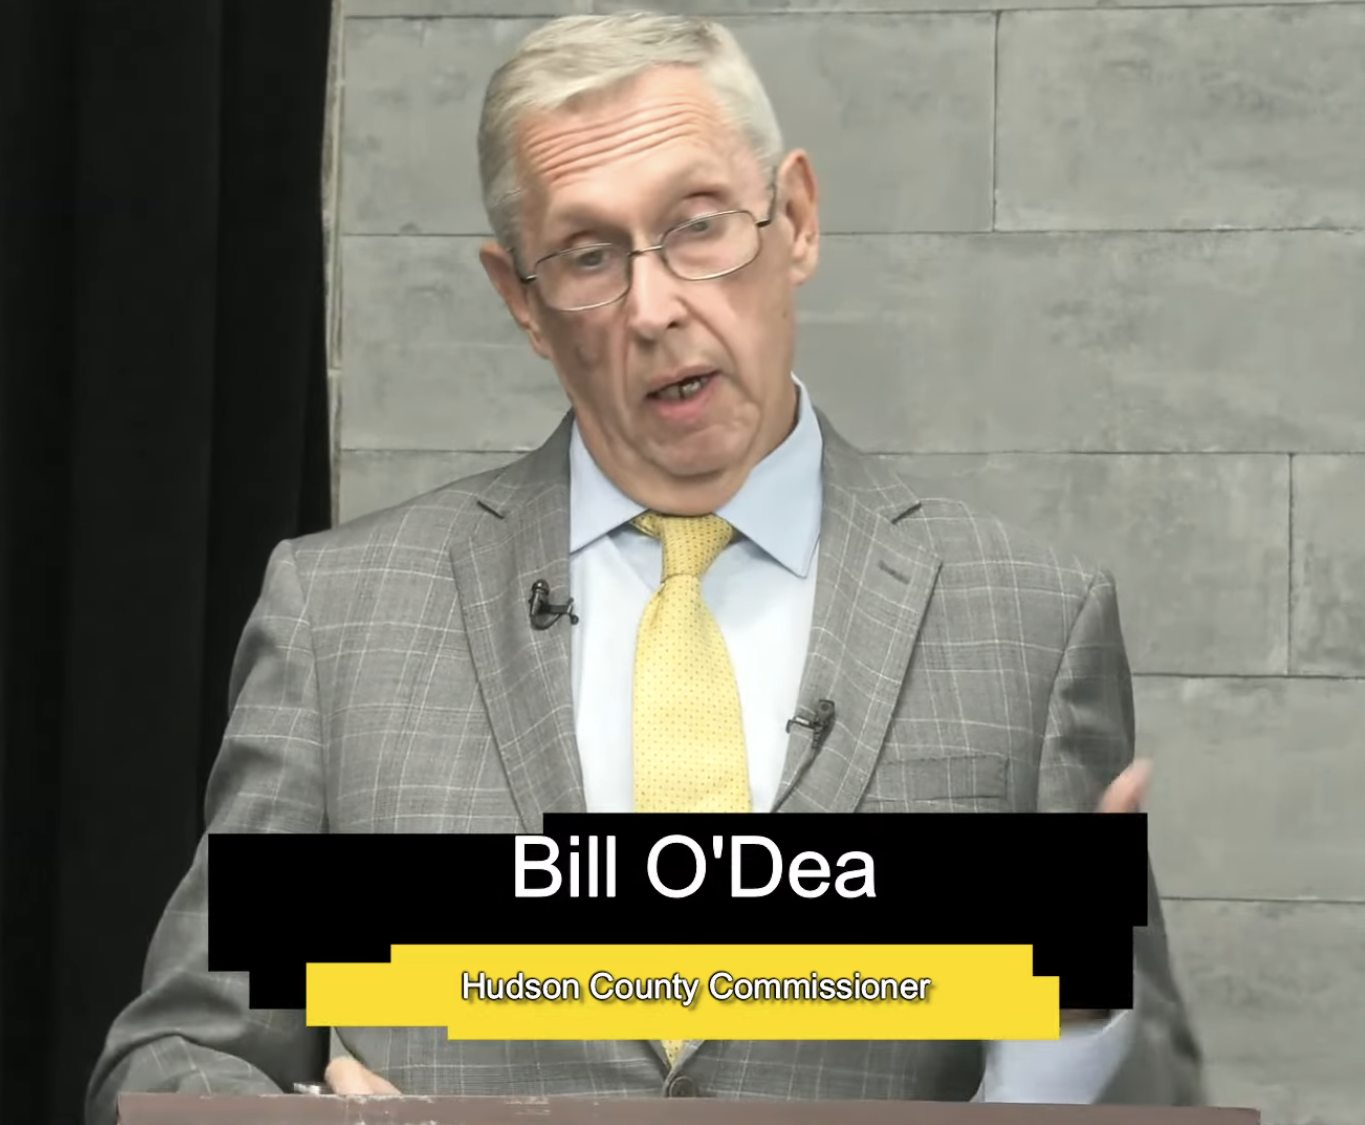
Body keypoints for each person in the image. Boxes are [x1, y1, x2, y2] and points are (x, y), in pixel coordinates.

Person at [85, 11, 1205, 1123]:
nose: (656, 306)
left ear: (796, 219)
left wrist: (1076, 1041)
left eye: (698, 226)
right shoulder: (342, 620)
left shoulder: (1029, 625)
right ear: (521, 301)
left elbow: (1151, 1090)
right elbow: (176, 1054)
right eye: (587, 256)